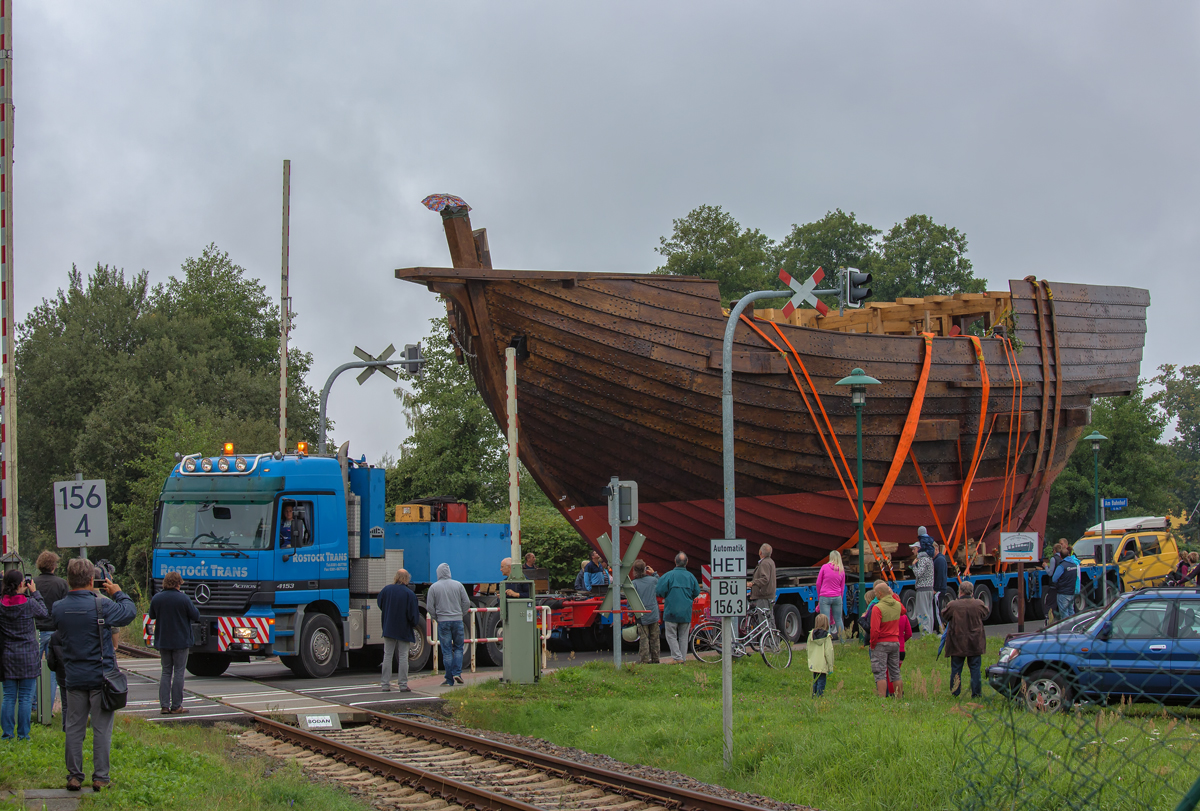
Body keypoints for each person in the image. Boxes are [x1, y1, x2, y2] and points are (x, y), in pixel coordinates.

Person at [53, 557, 136, 792]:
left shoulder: (58, 608)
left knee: (74, 727)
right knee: (101, 730)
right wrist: (118, 593)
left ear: (68, 580)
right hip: (101, 677)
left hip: (74, 676)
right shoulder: (102, 606)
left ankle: (74, 776)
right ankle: (100, 777)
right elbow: (129, 613)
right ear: (92, 580)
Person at [1, 570, 47, 740]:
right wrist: (35, 592)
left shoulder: (1, 604)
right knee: (26, 697)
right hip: (28, 654)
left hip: (7, 655)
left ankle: (7, 734)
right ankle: (23, 734)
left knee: (8, 697)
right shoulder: (29, 603)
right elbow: (44, 613)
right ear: (22, 584)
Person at [148, 570, 199, 714]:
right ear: (178, 583)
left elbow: (152, 615)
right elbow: (195, 615)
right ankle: (176, 706)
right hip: (181, 640)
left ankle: (164, 706)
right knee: (178, 672)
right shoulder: (183, 599)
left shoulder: (157, 598)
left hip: (163, 640)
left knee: (166, 672)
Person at [33, 551, 69, 716]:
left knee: (32, 669)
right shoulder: (61, 584)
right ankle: (47, 707)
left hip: (35, 631)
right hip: (54, 631)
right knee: (53, 669)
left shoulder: (32, 583)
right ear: (54, 565)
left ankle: (33, 703)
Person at [941, 580, 989, 698]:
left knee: (956, 668)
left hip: (957, 641)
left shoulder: (953, 605)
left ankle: (955, 692)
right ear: (972, 592)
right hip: (975, 642)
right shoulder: (978, 604)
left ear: (960, 591)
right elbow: (985, 613)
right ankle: (976, 693)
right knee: (975, 668)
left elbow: (944, 615)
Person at [425, 563, 471, 686]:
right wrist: (461, 614)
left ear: (438, 573)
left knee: (446, 651)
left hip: (443, 621)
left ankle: (449, 679)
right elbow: (466, 602)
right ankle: (457, 673)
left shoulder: (434, 587)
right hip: (457, 620)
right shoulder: (458, 585)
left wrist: (437, 618)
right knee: (459, 648)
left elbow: (430, 607)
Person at [377, 568, 420, 692]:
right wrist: (413, 623)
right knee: (403, 656)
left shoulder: (386, 590)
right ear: (407, 579)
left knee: (387, 655)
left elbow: (380, 603)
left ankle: (385, 684)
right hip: (403, 629)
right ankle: (403, 684)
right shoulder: (409, 594)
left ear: (396, 577)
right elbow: (413, 615)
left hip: (389, 627)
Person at [655, 552, 699, 663]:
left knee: (671, 635)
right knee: (684, 636)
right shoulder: (691, 577)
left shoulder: (668, 576)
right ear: (687, 562)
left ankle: (677, 657)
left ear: (675, 561)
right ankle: (682, 658)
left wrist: (668, 595)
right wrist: (688, 598)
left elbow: (659, 590)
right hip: (686, 611)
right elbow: (697, 591)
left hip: (671, 610)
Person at [868, 581, 906, 699]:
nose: (875, 595)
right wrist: (893, 595)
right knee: (895, 672)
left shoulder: (877, 608)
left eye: (875, 593)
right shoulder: (897, 605)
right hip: (895, 642)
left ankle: (882, 699)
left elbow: (874, 630)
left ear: (880, 593)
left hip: (881, 643)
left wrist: (872, 643)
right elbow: (904, 611)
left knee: (880, 672)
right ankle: (899, 697)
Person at [630, 560, 660, 664]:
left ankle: (644, 659)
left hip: (641, 614)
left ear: (634, 570)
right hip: (653, 613)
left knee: (644, 638)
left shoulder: (634, 583)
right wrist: (654, 573)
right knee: (655, 637)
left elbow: (631, 600)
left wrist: (630, 614)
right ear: (645, 569)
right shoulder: (653, 580)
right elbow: (660, 583)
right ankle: (656, 658)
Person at [815, 551, 847, 642]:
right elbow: (842, 587)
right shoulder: (841, 570)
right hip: (837, 597)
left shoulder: (824, 567)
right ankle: (843, 641)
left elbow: (818, 583)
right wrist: (840, 598)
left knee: (826, 620)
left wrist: (819, 597)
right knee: (838, 619)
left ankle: (828, 642)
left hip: (825, 596)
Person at [911, 528, 936, 633]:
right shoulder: (929, 558)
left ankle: (925, 633)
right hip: (929, 588)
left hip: (922, 588)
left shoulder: (922, 559)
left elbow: (918, 573)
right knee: (929, 612)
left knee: (922, 612)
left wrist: (913, 566)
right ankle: (930, 632)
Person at [806, 613, 834, 697]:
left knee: (815, 680)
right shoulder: (827, 637)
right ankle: (819, 696)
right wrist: (830, 666)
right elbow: (829, 652)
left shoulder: (811, 635)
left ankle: (814, 694)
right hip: (822, 663)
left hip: (814, 662)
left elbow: (808, 648)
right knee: (822, 681)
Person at [1050, 539, 1080, 619]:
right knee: (1071, 611)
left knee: (1064, 613)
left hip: (1063, 592)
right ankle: (1073, 624)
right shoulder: (1074, 565)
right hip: (1071, 592)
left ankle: (1066, 626)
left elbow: (1054, 579)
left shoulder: (1062, 566)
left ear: (1060, 556)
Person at [750, 544, 777, 628]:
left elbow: (765, 579)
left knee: (764, 621)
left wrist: (753, 583)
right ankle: (773, 635)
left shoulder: (764, 563)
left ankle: (767, 636)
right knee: (770, 618)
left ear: (760, 552)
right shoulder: (771, 561)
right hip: (769, 595)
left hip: (763, 595)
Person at [932, 542, 949, 633]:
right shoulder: (937, 559)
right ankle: (940, 629)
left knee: (937, 611)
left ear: (936, 549)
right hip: (938, 589)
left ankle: (941, 631)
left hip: (939, 590)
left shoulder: (939, 560)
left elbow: (940, 575)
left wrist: (936, 588)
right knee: (936, 610)